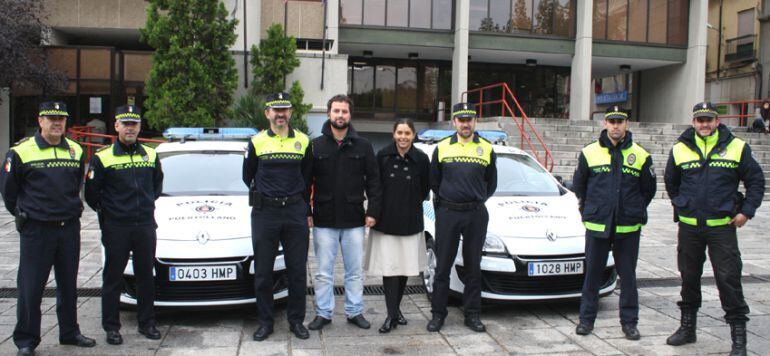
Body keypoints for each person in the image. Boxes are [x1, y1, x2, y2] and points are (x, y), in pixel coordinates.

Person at [664, 102, 765, 356]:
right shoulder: (679, 148)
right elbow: (671, 182)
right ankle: (688, 328)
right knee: (688, 278)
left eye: (709, 119)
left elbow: (756, 181)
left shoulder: (737, 147)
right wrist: (681, 204)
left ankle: (738, 339)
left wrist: (746, 212)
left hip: (722, 229)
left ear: (717, 121)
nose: (705, 124)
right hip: (690, 229)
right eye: (700, 120)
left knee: (729, 281)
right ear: (694, 122)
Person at [0, 101, 96, 356]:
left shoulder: (75, 150)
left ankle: (69, 332)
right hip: (37, 230)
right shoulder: (21, 152)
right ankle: (26, 341)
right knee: (31, 286)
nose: (56, 123)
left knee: (68, 284)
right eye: (51, 118)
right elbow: (9, 192)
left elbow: (77, 185)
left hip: (68, 229)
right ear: (40, 120)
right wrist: (27, 215)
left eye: (61, 119)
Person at [571, 106, 656, 340]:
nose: (616, 125)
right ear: (605, 124)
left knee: (628, 277)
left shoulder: (640, 154)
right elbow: (580, 185)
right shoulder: (589, 152)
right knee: (592, 275)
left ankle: (629, 322)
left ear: (626, 124)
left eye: (620, 121)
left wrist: (633, 209)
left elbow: (648, 189)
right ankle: (586, 320)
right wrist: (590, 209)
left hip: (628, 227)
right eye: (612, 121)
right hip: (598, 226)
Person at [84, 105, 163, 345]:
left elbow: (156, 186)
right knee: (113, 277)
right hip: (116, 227)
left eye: (134, 124)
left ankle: (147, 322)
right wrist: (112, 213)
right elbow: (91, 194)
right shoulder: (102, 156)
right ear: (116, 126)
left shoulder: (150, 154)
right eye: (125, 124)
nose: (130, 128)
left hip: (144, 225)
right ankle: (111, 327)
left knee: (145, 276)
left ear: (139, 127)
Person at [307, 94, 382, 331]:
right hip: (324, 219)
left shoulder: (364, 146)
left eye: (345, 111)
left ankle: (354, 311)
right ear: (329, 113)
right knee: (323, 273)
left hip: (353, 220)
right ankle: (323, 313)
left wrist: (373, 212)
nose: (340, 115)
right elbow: (305, 181)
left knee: (354, 272)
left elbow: (374, 181)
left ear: (350, 115)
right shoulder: (315, 146)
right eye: (336, 111)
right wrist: (306, 212)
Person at [243, 92, 312, 341]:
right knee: (263, 272)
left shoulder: (303, 141)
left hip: (294, 212)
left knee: (297, 271)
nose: (280, 114)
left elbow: (307, 176)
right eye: (275, 109)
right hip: (265, 213)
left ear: (291, 113)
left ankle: (296, 321)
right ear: (267, 113)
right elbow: (247, 175)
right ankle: (265, 322)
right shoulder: (257, 142)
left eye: (285, 109)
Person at [427, 103, 497, 333]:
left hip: (475, 214)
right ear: (454, 122)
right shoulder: (443, 147)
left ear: (475, 121)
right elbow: (434, 181)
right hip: (448, 212)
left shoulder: (486, 148)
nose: (465, 123)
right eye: (461, 119)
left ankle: (472, 314)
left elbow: (491, 182)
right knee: (443, 266)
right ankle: (438, 314)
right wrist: (449, 201)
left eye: (469, 119)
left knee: (473, 266)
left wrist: (475, 199)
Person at [364, 118, 430, 333]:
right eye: (399, 133)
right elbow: (374, 187)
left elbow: (424, 189)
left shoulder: (421, 159)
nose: (403, 137)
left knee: (403, 269)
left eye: (407, 133)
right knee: (390, 269)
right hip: (386, 221)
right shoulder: (382, 155)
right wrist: (372, 214)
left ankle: (395, 311)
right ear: (393, 134)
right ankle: (391, 316)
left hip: (410, 221)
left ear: (413, 135)